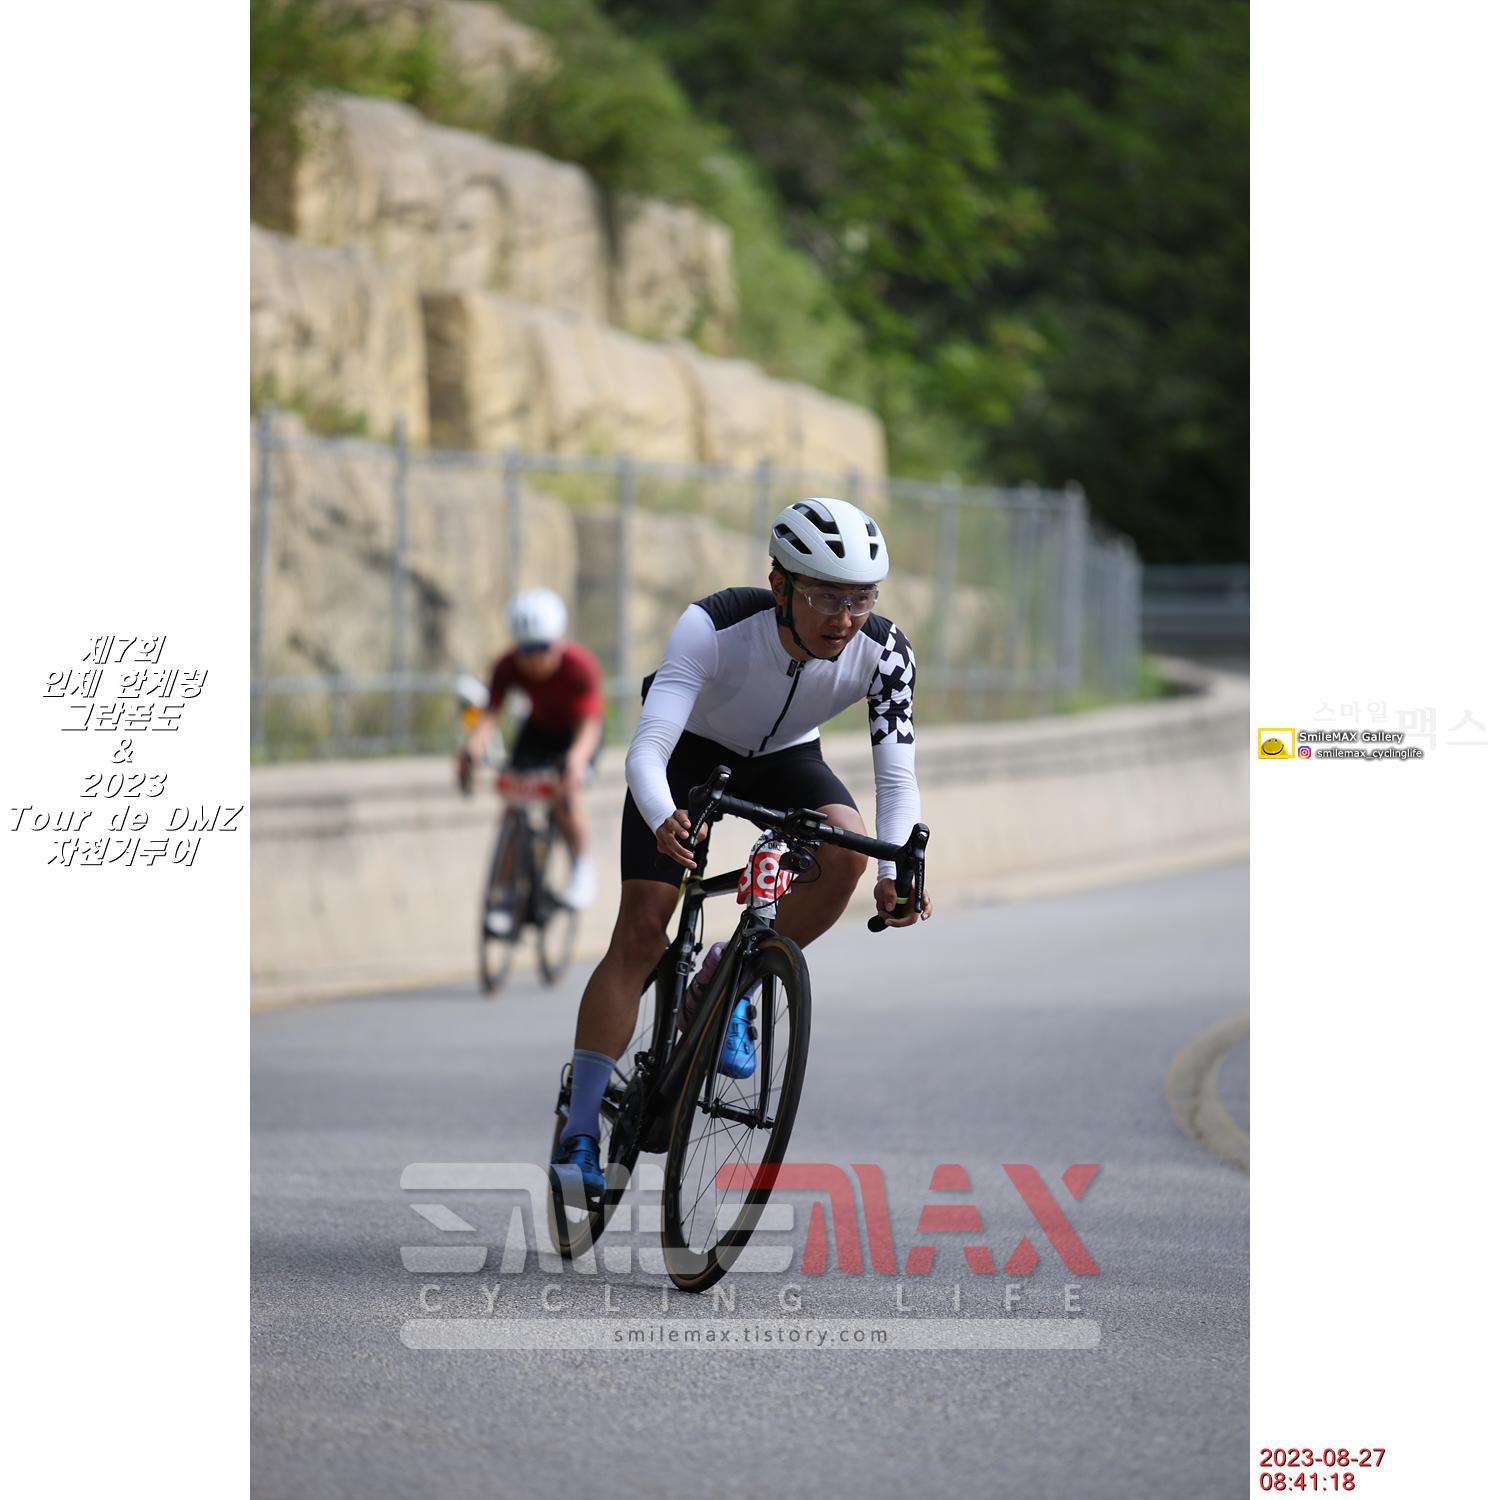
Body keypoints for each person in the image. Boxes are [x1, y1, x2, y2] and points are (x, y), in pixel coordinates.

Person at [551, 498, 933, 1208]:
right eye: (825, 597)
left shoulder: (887, 654)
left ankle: (735, 976)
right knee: (643, 930)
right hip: (687, 757)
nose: (845, 618)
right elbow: (647, 750)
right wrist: (663, 817)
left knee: (846, 852)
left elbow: (896, 778)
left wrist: (895, 871)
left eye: (861, 599)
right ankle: (578, 1132)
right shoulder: (714, 625)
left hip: (787, 759)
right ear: (780, 584)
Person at [461, 588, 605, 918]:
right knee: (513, 806)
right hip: (538, 729)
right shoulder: (506, 666)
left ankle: (582, 867)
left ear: (559, 641)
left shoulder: (580, 666)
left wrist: (576, 761)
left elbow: (589, 726)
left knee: (564, 797)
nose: (535, 660)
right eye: (526, 651)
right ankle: (504, 893)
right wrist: (474, 746)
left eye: (543, 649)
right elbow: (490, 714)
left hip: (577, 732)